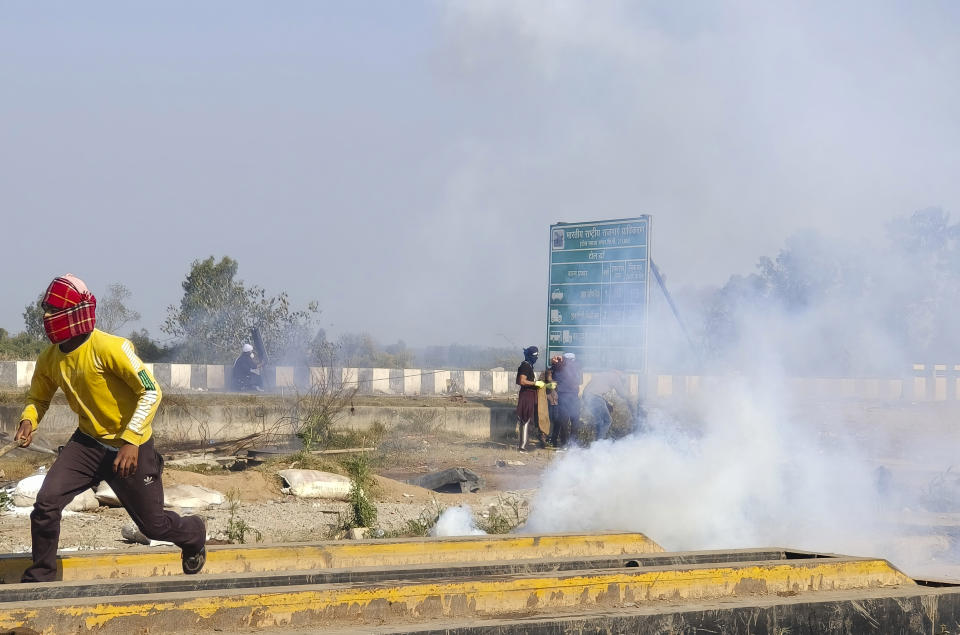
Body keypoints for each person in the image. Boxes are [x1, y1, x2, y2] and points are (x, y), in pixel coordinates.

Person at [14, 274, 207, 582]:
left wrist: (131, 441)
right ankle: (40, 579)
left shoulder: (112, 348)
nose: (45, 316)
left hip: (132, 447)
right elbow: (38, 397)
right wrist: (29, 419)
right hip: (87, 445)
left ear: (73, 312)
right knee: (46, 503)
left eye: (52, 309)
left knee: (153, 526)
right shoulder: (49, 359)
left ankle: (194, 533)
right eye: (45, 308)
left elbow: (151, 391)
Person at [581, 370, 636, 440]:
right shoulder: (615, 377)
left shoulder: (605, 374)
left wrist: (606, 403)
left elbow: (596, 391)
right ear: (619, 372)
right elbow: (622, 393)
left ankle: (597, 443)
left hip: (587, 396)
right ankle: (599, 442)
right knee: (607, 420)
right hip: (594, 397)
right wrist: (630, 397)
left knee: (600, 420)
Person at [515, 346, 545, 452]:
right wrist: (535, 383)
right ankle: (522, 447)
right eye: (535, 356)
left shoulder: (530, 366)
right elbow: (522, 381)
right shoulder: (525, 366)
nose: (536, 358)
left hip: (530, 395)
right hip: (526, 395)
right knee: (525, 419)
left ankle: (525, 444)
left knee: (528, 419)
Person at [552, 352, 583, 446]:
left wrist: (556, 362)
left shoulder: (559, 366)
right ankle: (573, 443)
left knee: (564, 421)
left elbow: (553, 377)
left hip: (563, 396)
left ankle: (564, 443)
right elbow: (580, 382)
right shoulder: (578, 368)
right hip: (574, 397)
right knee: (575, 420)